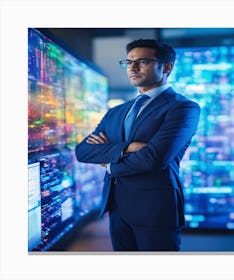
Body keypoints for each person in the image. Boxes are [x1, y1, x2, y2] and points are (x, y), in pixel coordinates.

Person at [75, 39, 200, 251]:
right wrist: (127, 147)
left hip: (155, 209)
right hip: (116, 208)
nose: (132, 68)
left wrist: (110, 165)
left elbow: (154, 158)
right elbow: (83, 151)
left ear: (166, 67)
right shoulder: (117, 111)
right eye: (128, 62)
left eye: (142, 62)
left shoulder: (183, 108)